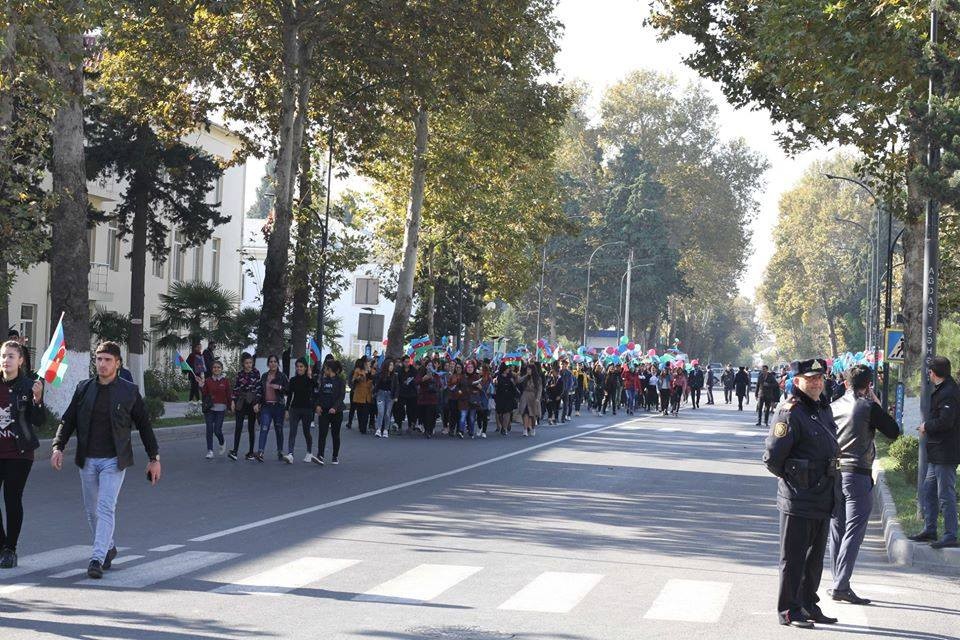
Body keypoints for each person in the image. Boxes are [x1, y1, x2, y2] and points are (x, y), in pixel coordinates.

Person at [51, 341, 161, 579]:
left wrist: (154, 458)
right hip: (87, 459)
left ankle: (96, 558)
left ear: (117, 363)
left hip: (114, 460)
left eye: (107, 360)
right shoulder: (84, 388)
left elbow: (144, 426)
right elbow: (68, 420)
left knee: (105, 507)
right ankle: (109, 547)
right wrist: (58, 446)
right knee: (92, 511)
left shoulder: (129, 391)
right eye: (99, 359)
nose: (102, 364)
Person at [762, 358, 840, 629]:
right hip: (798, 497)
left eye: (820, 378)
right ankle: (789, 610)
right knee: (793, 558)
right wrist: (799, 480)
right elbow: (773, 458)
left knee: (814, 558)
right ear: (797, 382)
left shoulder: (822, 409)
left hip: (823, 494)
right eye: (810, 379)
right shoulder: (790, 412)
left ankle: (808, 603)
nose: (817, 383)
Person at [827, 364, 900, 605]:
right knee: (854, 530)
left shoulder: (834, 406)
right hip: (857, 473)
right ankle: (841, 585)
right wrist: (877, 403)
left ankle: (836, 580)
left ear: (846, 383)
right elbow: (893, 431)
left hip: (834, 473)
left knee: (837, 528)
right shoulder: (868, 406)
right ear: (869, 385)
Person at [0, 340, 44, 569]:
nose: (6, 360)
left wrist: (37, 400)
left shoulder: (28, 386)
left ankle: (10, 549)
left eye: (11, 356)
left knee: (11, 498)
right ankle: (1, 544)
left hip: (19, 452)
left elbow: (39, 421)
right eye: (4, 356)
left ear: (20, 360)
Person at [911, 355, 960, 549]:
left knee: (945, 494)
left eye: (929, 371)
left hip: (946, 453)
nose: (928, 374)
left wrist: (926, 426)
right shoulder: (942, 389)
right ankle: (930, 528)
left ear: (934, 373)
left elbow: (946, 421)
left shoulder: (948, 392)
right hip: (937, 453)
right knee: (928, 490)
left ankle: (950, 534)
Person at [254, 354, 288, 462]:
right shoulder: (264, 376)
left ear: (278, 363)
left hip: (278, 407)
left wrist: (279, 387)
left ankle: (280, 451)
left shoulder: (282, 376)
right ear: (268, 364)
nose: (273, 363)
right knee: (264, 428)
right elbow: (260, 391)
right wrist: (257, 403)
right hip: (266, 406)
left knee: (279, 429)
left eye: (275, 361)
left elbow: (288, 390)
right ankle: (260, 452)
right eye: (271, 362)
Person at [312, 360, 345, 465]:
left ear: (330, 369)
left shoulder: (340, 381)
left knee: (335, 435)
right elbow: (319, 394)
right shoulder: (323, 380)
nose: (324, 370)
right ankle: (320, 456)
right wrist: (317, 405)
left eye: (326, 368)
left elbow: (341, 396)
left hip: (336, 412)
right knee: (322, 434)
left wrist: (335, 407)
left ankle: (335, 456)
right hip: (324, 411)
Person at [229, 354, 260, 461]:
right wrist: (233, 401)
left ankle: (251, 452)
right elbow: (236, 388)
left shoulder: (256, 373)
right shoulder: (240, 374)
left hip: (251, 401)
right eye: (246, 363)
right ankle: (235, 451)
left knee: (251, 427)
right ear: (243, 363)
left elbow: (258, 389)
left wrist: (257, 403)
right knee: (238, 426)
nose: (249, 365)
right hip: (241, 401)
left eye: (250, 362)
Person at [285, 358, 315, 463]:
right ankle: (290, 454)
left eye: (301, 366)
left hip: (307, 409)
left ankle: (309, 453)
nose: (299, 368)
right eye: (297, 366)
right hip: (295, 409)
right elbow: (289, 395)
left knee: (306, 432)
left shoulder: (310, 380)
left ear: (306, 368)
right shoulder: (293, 380)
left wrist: (310, 376)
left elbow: (316, 389)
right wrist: (287, 409)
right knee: (292, 431)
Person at [200, 360, 231, 459]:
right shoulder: (208, 380)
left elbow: (228, 395)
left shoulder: (225, 381)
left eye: (218, 367)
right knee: (209, 429)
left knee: (217, 430)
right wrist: (201, 385)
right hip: (210, 408)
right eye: (214, 367)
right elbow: (204, 393)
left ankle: (222, 442)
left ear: (221, 369)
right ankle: (210, 450)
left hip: (221, 409)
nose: (216, 369)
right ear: (212, 369)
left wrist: (231, 406)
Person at [374, 359, 399, 438]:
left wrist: (395, 396)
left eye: (392, 365)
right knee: (380, 412)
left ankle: (385, 429)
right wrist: (374, 392)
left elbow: (397, 387)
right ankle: (378, 429)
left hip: (390, 396)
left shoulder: (394, 375)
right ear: (386, 366)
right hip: (380, 394)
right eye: (390, 365)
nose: (391, 367)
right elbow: (376, 384)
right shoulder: (380, 374)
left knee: (387, 413)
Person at [517, 363, 542, 436]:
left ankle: (533, 428)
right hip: (525, 396)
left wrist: (538, 398)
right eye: (527, 369)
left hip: (533, 397)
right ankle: (525, 429)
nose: (528, 371)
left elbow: (540, 389)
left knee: (533, 414)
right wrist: (525, 375)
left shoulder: (538, 378)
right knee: (525, 413)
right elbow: (519, 381)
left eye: (529, 369)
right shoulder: (526, 377)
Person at [350, 359, 374, 435]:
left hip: (368, 394)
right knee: (360, 411)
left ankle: (363, 428)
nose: (368, 364)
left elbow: (374, 379)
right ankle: (361, 426)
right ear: (364, 363)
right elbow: (353, 380)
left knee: (366, 412)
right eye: (367, 363)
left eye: (369, 363)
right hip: (360, 393)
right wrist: (358, 378)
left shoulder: (372, 371)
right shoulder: (358, 370)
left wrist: (370, 373)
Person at [417, 363, 440, 438]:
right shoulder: (422, 373)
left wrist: (433, 379)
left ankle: (429, 430)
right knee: (424, 415)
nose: (429, 367)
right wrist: (423, 379)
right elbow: (416, 381)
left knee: (431, 415)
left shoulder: (435, 374)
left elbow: (439, 384)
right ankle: (426, 428)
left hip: (433, 398)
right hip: (423, 398)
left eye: (431, 365)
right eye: (428, 365)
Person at [494, 364, 518, 435]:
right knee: (500, 413)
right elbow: (496, 386)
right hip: (500, 397)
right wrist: (495, 383)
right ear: (504, 369)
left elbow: (515, 383)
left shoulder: (510, 376)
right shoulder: (498, 377)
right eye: (507, 368)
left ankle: (504, 428)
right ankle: (503, 425)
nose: (508, 370)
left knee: (507, 412)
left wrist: (513, 381)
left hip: (509, 397)